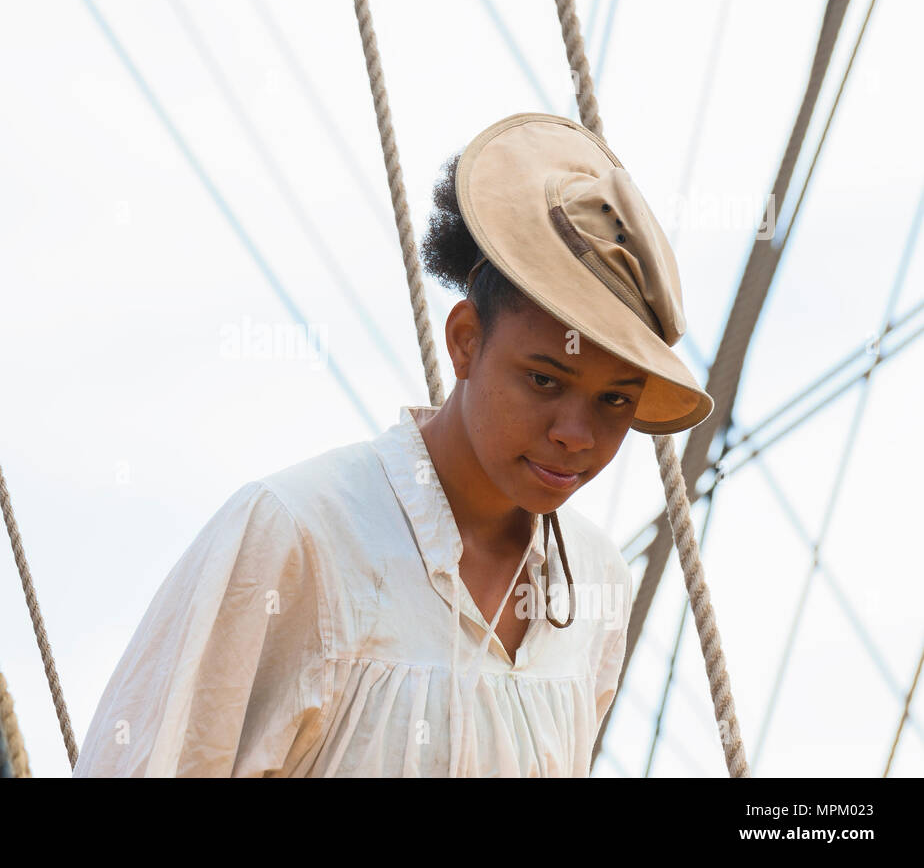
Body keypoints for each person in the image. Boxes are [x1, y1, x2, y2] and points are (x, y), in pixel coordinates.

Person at [73, 112, 714, 777]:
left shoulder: (596, 580)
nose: (575, 434)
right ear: (466, 340)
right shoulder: (298, 535)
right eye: (544, 378)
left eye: (615, 399)